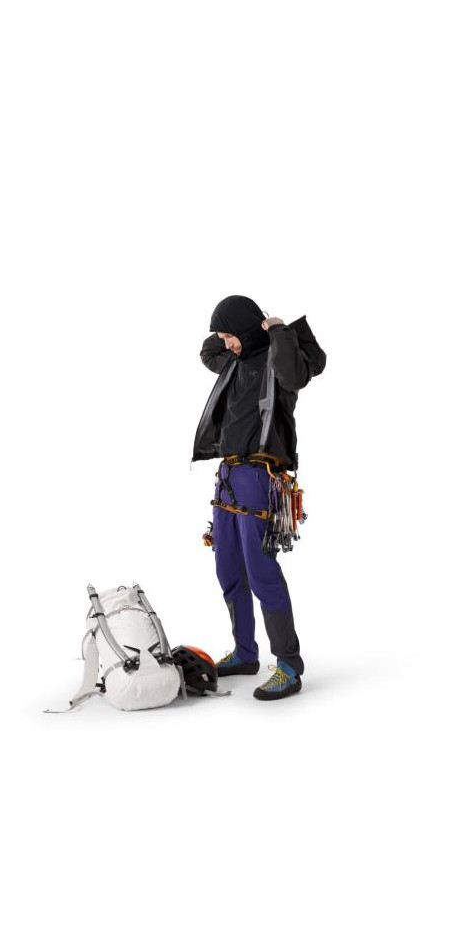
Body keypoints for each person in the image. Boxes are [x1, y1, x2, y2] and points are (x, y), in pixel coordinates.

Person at [193, 295, 326, 701]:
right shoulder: (233, 360)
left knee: (261, 571)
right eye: (224, 337)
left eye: (229, 336)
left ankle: (289, 665)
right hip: (229, 475)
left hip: (259, 477)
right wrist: (235, 334)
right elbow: (207, 351)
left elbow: (297, 375)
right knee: (228, 568)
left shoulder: (278, 360)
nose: (225, 344)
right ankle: (245, 654)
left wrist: (276, 329)